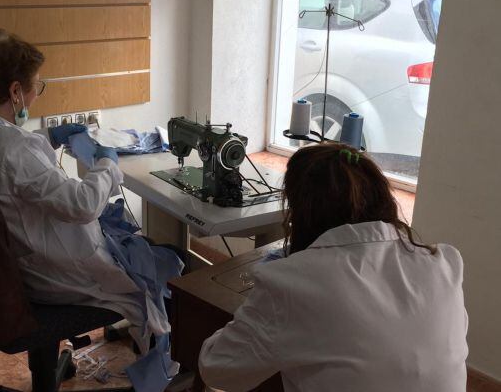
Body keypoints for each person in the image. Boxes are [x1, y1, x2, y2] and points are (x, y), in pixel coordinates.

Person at [0, 29, 182, 373]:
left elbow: (11, 166)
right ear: (15, 91)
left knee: (135, 248)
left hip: (11, 269)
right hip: (51, 278)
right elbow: (83, 204)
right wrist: (106, 163)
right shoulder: (15, 150)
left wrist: (47, 137)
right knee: (169, 267)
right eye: (34, 87)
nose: (34, 97)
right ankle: (176, 368)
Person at [198, 143, 468, 392]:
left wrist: (259, 316)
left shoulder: (294, 283)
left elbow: (216, 369)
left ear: (302, 211)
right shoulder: (443, 265)